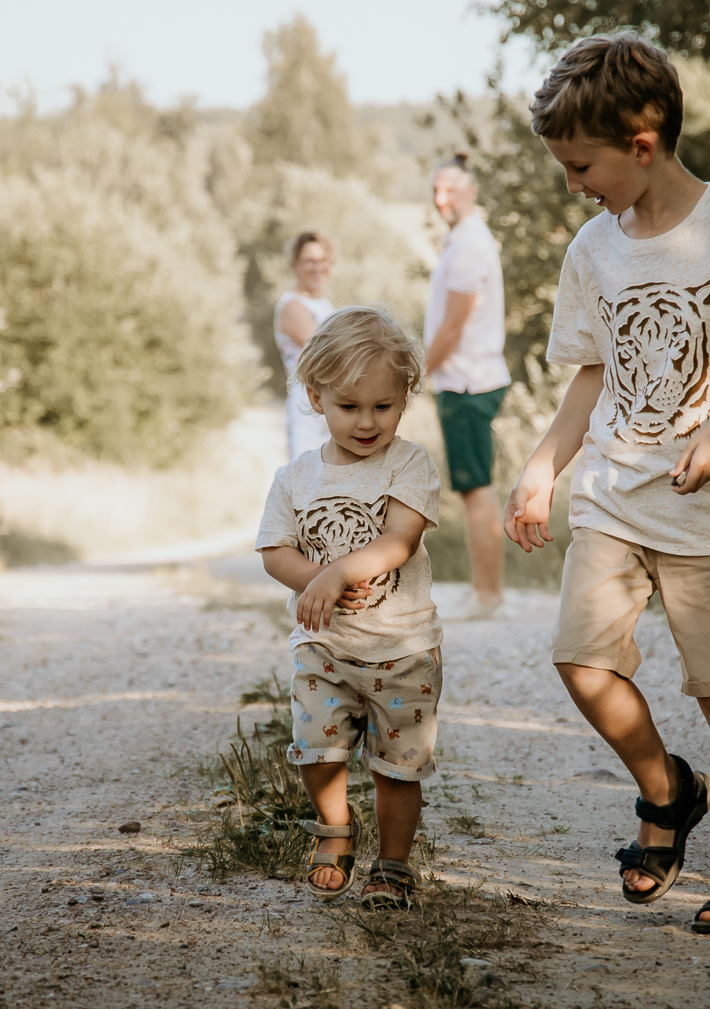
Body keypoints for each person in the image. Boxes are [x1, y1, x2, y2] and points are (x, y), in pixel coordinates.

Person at [503, 33, 710, 936]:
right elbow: (592, 373)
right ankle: (666, 787)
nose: (574, 185)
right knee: (581, 659)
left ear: (641, 145)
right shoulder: (592, 249)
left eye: (581, 166)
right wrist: (542, 466)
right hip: (614, 495)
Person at [254, 306, 443, 908]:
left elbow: (399, 540)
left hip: (402, 650)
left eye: (383, 406)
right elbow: (275, 552)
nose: (366, 422)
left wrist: (338, 572)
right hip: (325, 647)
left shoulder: (408, 464)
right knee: (316, 748)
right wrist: (317, 579)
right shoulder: (294, 478)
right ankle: (335, 828)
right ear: (316, 398)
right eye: (349, 406)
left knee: (397, 768)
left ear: (405, 398)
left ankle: (393, 865)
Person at [423, 153, 512, 617]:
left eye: (451, 190)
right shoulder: (462, 240)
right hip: (465, 379)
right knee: (474, 488)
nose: (442, 199)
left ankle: (488, 596)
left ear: (470, 192)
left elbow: (454, 326)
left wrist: (417, 373)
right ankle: (485, 591)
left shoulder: (469, 245)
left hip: (467, 382)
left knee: (476, 489)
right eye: (436, 190)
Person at [275, 231, 337, 460]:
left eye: (322, 260)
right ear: (295, 264)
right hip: (307, 407)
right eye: (310, 261)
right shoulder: (292, 305)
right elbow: (327, 354)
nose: (317, 267)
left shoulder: (324, 305)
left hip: (333, 405)